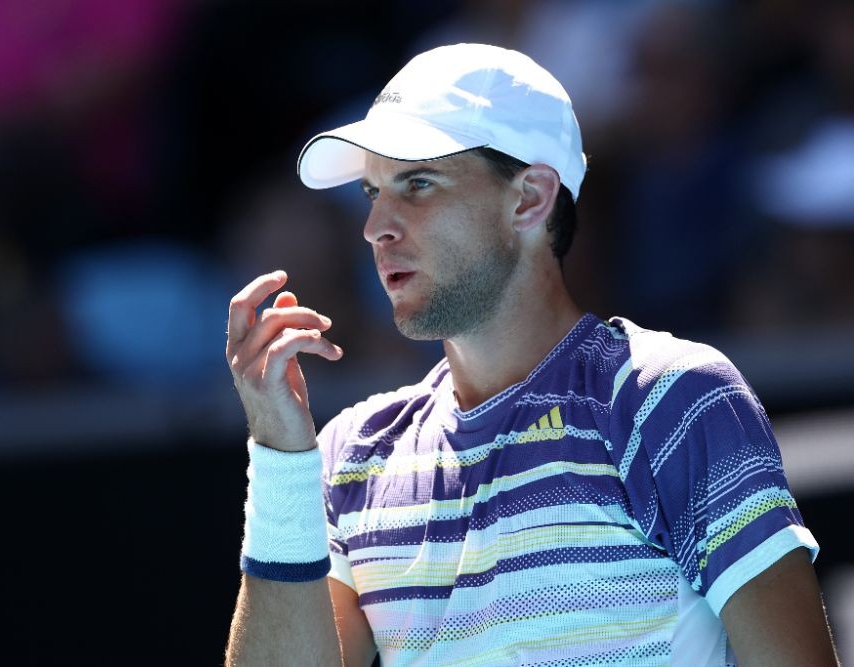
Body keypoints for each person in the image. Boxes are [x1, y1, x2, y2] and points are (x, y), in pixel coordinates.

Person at [223, 43, 839, 666]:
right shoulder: (349, 454)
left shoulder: (670, 398)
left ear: (530, 198)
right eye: (372, 192)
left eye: (418, 184)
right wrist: (280, 457)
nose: (375, 225)